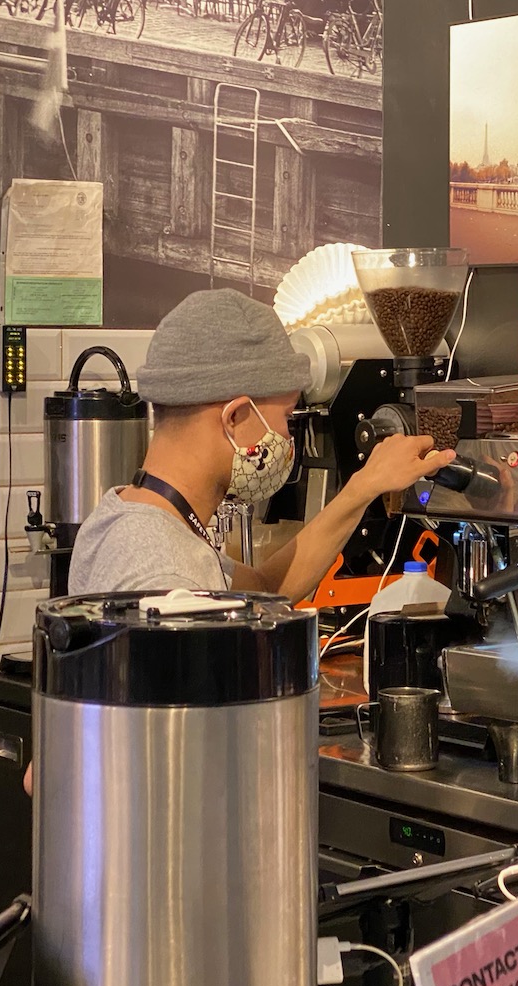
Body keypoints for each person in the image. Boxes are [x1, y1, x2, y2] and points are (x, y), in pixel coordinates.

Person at [23, 290, 452, 795]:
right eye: (287, 418)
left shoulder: (138, 516)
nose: (289, 440)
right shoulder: (158, 569)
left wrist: (363, 487)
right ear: (234, 418)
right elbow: (57, 774)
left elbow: (271, 588)